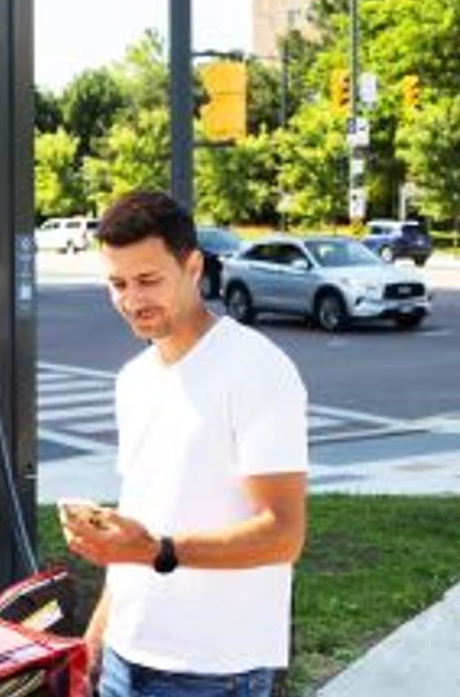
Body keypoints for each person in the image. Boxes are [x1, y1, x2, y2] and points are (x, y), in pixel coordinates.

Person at [60, 190, 308, 697]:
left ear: (193, 266)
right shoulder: (133, 379)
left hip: (212, 672)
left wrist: (156, 549)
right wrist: (97, 636)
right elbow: (144, 513)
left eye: (149, 280)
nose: (132, 300)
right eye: (118, 283)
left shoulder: (257, 369)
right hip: (124, 659)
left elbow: (285, 535)